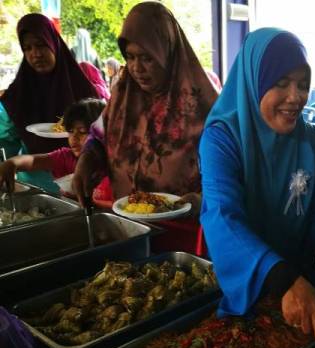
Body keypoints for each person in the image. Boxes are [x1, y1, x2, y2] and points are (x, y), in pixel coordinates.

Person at [200, 28, 315, 342]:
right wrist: (283, 278)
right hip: (250, 285)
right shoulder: (223, 138)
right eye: (281, 83)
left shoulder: (310, 141)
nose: (295, 97)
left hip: (301, 287)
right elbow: (223, 218)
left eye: (302, 85)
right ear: (254, 82)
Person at [73, 2, 217, 253]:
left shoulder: (204, 105)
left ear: (168, 53)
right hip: (129, 231)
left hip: (186, 239)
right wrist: (87, 160)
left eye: (147, 58)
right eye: (130, 57)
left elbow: (232, 174)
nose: (137, 68)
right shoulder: (123, 95)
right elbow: (99, 137)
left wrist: (201, 202)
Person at [0, 14, 99, 193]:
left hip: (81, 186)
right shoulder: (15, 96)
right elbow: (6, 143)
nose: (35, 54)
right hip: (33, 187)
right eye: (27, 48)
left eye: (41, 45)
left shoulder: (84, 91)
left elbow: (102, 138)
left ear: (53, 43)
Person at [0, 98, 105, 193]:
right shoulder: (66, 157)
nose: (74, 137)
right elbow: (33, 161)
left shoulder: (112, 163)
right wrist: (11, 163)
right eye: (71, 131)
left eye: (82, 132)